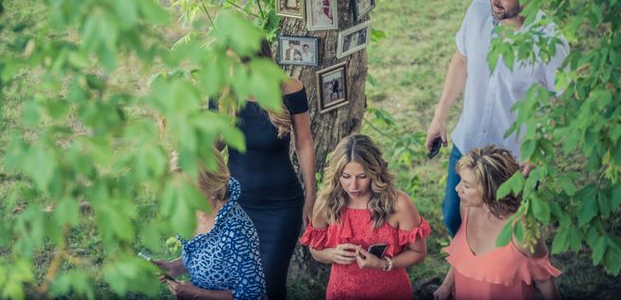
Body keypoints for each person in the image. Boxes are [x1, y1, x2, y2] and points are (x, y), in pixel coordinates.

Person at [425, 0, 569, 237]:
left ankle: (503, 281)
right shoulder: (478, 12)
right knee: (454, 219)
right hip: (468, 143)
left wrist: (538, 152)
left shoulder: (549, 40)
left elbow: (562, 102)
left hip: (513, 157)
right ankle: (464, 280)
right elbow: (461, 60)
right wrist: (439, 116)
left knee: (509, 234)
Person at [211, 39, 316, 299]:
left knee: (268, 285)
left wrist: (312, 195)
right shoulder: (222, 92)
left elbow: (304, 143)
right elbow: (214, 147)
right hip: (235, 205)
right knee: (238, 283)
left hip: (281, 206)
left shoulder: (289, 89)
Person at [300, 134, 430, 300]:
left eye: (362, 176)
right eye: (345, 176)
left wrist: (383, 264)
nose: (353, 186)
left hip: (390, 292)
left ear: (375, 173)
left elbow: (419, 252)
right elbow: (315, 249)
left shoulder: (399, 204)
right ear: (336, 174)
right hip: (342, 292)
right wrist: (331, 254)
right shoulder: (326, 203)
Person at [433, 145, 560, 300]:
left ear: (491, 190)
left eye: (467, 185)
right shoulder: (467, 206)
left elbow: (544, 279)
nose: (457, 188)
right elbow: (464, 256)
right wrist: (446, 285)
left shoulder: (522, 229)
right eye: (461, 180)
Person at [155, 150, 267, 300]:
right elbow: (205, 258)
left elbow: (253, 295)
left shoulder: (236, 230)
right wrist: (173, 267)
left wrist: (197, 293)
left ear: (210, 186)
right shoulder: (194, 210)